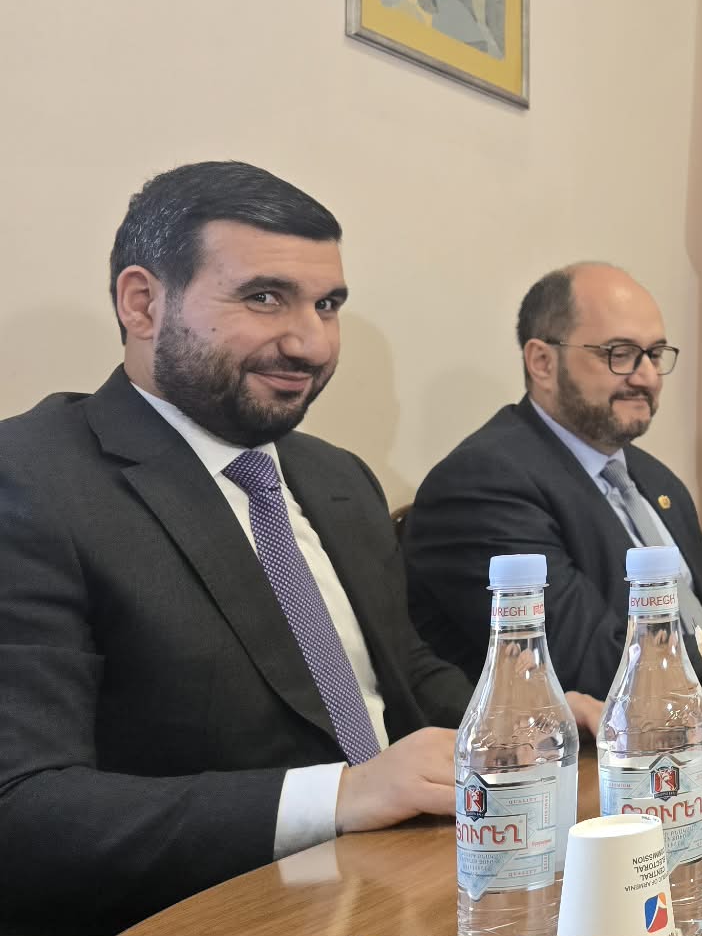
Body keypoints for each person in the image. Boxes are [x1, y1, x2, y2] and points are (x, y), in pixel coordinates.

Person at [0, 163, 478, 933]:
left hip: (413, 886)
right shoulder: (29, 482)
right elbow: (24, 808)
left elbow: (402, 669)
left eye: (327, 304)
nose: (311, 342)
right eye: (264, 297)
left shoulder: (339, 477)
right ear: (142, 302)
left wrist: (539, 717)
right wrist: (342, 795)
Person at [405, 263, 702, 697]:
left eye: (655, 354)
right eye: (620, 354)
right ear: (542, 362)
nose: (648, 377)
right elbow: (592, 666)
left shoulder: (653, 477)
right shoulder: (484, 485)